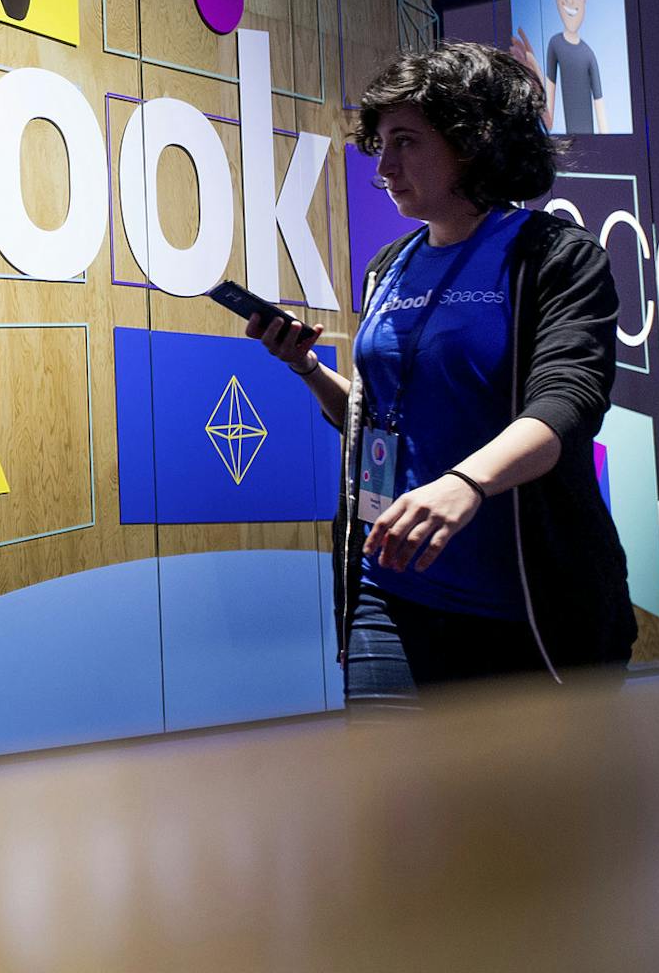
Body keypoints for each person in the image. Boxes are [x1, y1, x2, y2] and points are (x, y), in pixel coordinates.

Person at [246, 42, 634, 713]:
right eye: (381, 143)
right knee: (389, 805)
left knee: (517, 814)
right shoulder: (389, 266)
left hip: (525, 603)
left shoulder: (553, 256)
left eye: (405, 142)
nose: (385, 165)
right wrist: (307, 367)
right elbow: (380, 417)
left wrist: (465, 484)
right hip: (389, 587)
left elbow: (564, 407)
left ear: (472, 140)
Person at [511, 0, 607, 135]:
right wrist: (534, 73)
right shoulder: (554, 44)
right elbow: (549, 121)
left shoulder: (589, 53)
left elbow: (602, 118)